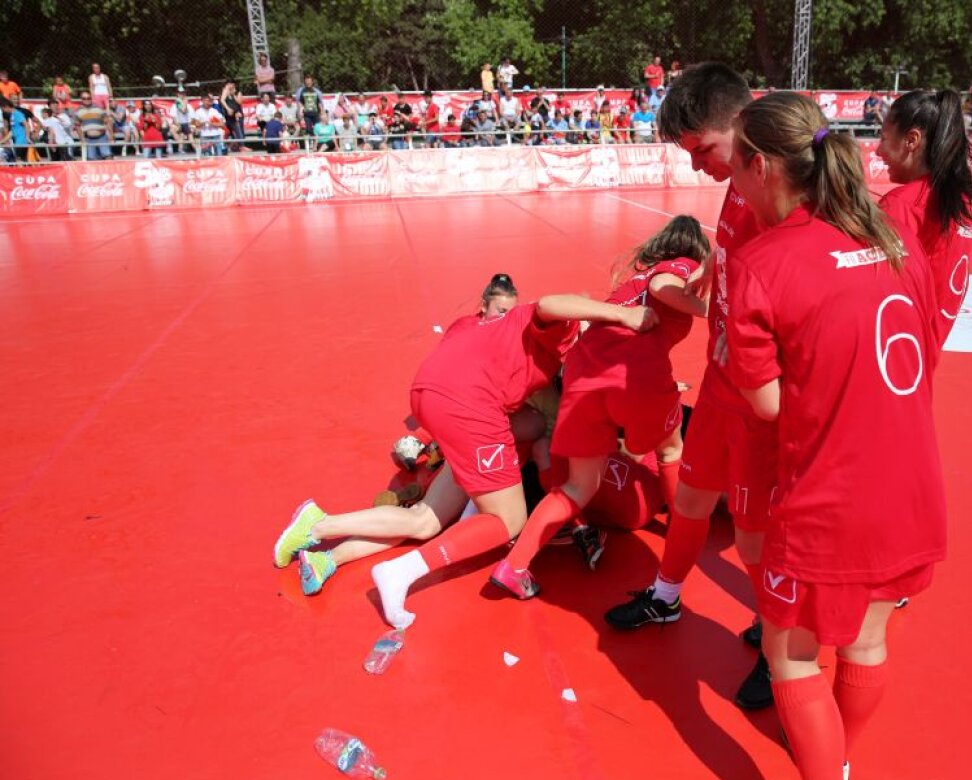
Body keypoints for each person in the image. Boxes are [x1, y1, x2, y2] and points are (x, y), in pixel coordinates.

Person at [724, 91, 944, 780]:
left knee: (790, 656)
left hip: (829, 494)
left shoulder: (762, 262)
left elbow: (765, 404)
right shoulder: (890, 240)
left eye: (734, 168)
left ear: (760, 166)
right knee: (868, 640)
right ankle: (839, 763)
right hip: (912, 488)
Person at [274, 277, 658, 627]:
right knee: (508, 521)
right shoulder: (555, 330)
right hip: (471, 411)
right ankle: (400, 571)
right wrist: (620, 315)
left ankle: (322, 535)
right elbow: (554, 305)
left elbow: (481, 387)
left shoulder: (476, 328)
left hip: (437, 400)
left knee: (426, 520)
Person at [602, 62, 777, 712]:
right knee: (694, 501)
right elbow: (737, 252)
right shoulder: (738, 185)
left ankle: (775, 633)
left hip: (761, 396)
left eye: (702, 148)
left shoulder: (780, 193)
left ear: (741, 121)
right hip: (722, 384)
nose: (698, 166)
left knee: (758, 535)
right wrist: (712, 265)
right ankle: (667, 597)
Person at [490, 216, 711, 597]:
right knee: (671, 449)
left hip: (583, 377)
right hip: (633, 376)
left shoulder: (627, 287)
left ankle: (514, 567)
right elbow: (663, 286)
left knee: (577, 485)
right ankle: (681, 529)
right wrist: (711, 309)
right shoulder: (681, 267)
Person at [875, 90, 972, 355]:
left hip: (893, 353)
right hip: (924, 353)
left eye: (883, 138)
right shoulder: (957, 199)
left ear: (912, 140)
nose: (877, 150)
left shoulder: (902, 205)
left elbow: (873, 289)